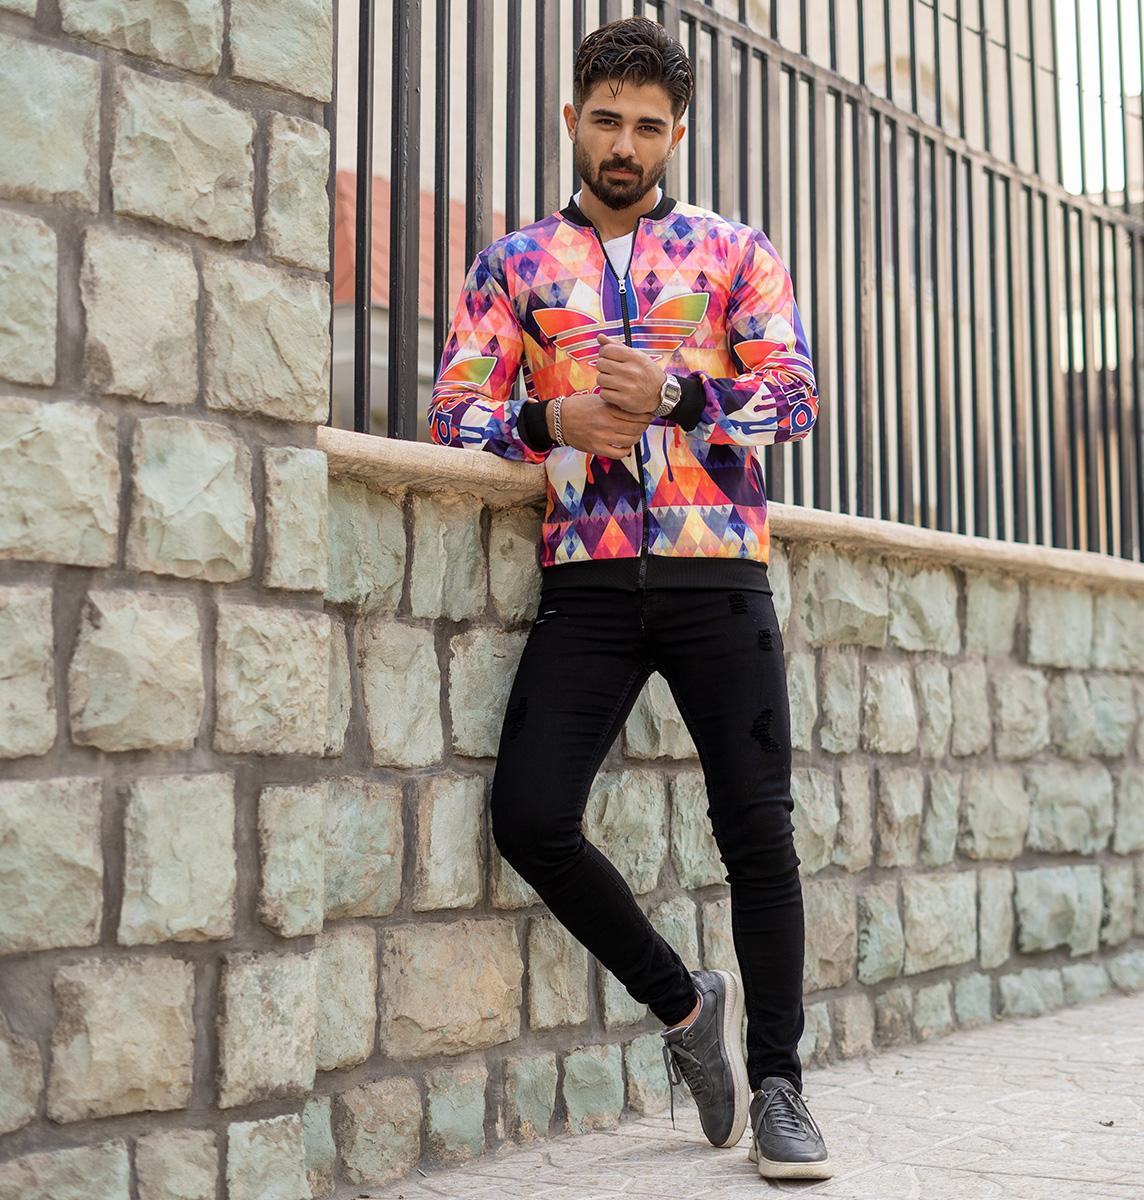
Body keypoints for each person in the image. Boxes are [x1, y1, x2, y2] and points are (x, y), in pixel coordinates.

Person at [429, 16, 830, 1181]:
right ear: (572, 119)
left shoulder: (734, 254)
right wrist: (550, 418)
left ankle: (781, 1089)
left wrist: (682, 396)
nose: (625, 144)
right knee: (529, 817)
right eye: (606, 120)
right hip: (590, 578)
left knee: (757, 832)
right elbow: (453, 412)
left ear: (676, 134)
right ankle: (686, 1007)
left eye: (649, 126)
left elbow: (794, 397)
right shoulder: (513, 266)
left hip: (719, 572)